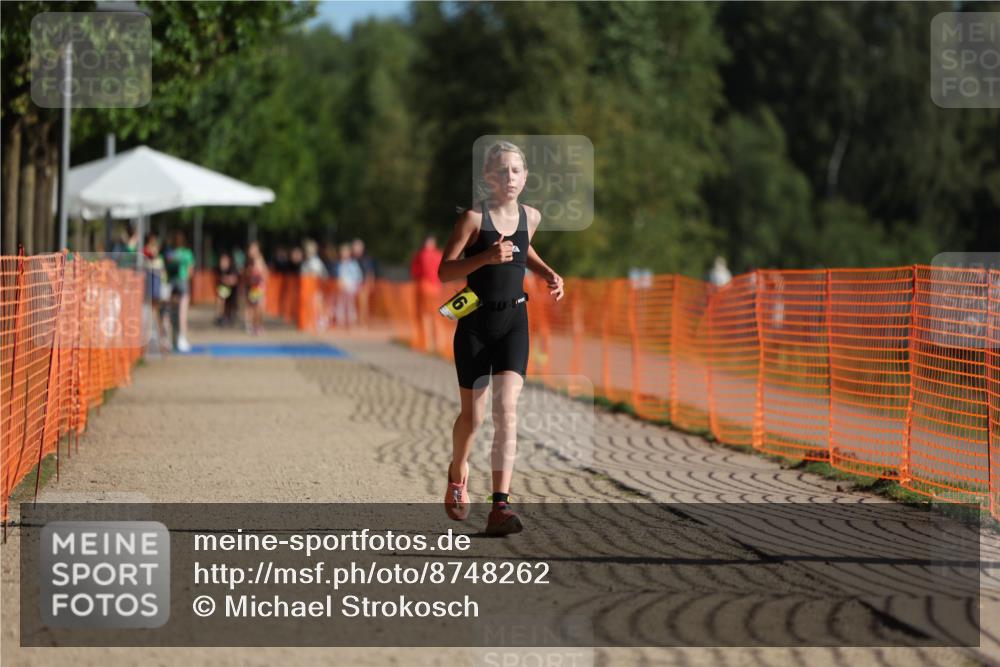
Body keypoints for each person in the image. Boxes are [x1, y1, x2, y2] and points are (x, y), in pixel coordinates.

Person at [437, 140, 564, 536]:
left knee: (507, 410)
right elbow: (444, 272)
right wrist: (484, 259)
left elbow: (525, 249)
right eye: (501, 171)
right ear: (488, 177)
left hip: (514, 321)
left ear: (525, 177)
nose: (509, 177)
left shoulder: (532, 216)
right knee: (473, 418)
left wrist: (547, 273)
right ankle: (458, 473)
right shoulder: (473, 220)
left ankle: (500, 508)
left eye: (516, 171)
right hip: (474, 325)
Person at [410, 235, 443, 352]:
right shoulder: (439, 254)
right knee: (436, 317)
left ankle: (427, 343)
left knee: (425, 316)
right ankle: (438, 343)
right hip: (436, 288)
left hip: (423, 287)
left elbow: (415, 272)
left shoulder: (420, 255)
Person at [164, 230, 195, 352]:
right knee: (182, 313)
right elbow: (190, 270)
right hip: (182, 282)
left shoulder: (169, 254)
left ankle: (169, 339)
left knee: (169, 312)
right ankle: (182, 338)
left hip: (171, 283)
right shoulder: (187, 253)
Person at [335, 243, 362, 328]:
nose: (344, 254)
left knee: (350, 304)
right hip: (341, 287)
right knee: (341, 303)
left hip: (351, 287)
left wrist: (355, 286)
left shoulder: (353, 264)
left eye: (346, 252)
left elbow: (358, 276)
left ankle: (351, 321)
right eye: (343, 252)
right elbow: (337, 276)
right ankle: (341, 321)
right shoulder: (338, 264)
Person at [244, 241, 268, 336]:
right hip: (252, 287)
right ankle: (252, 326)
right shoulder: (249, 261)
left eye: (254, 249)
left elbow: (265, 273)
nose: (252, 251)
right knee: (252, 307)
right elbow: (246, 274)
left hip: (259, 287)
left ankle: (257, 325)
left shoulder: (260, 259)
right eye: (251, 249)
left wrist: (260, 275)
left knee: (259, 307)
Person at [352, 238, 377, 326]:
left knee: (363, 304)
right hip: (352, 284)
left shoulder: (366, 258)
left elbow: (369, 272)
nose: (357, 249)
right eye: (355, 247)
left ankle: (363, 321)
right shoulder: (352, 258)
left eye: (358, 247)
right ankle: (356, 320)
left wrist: (369, 283)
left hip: (363, 284)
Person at [215, 253, 240, 327]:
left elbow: (234, 280)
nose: (223, 263)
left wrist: (226, 280)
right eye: (222, 261)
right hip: (224, 290)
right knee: (221, 298)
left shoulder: (233, 269)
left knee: (230, 305)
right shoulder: (219, 269)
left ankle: (228, 317)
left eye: (225, 261)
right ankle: (221, 316)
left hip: (233, 291)